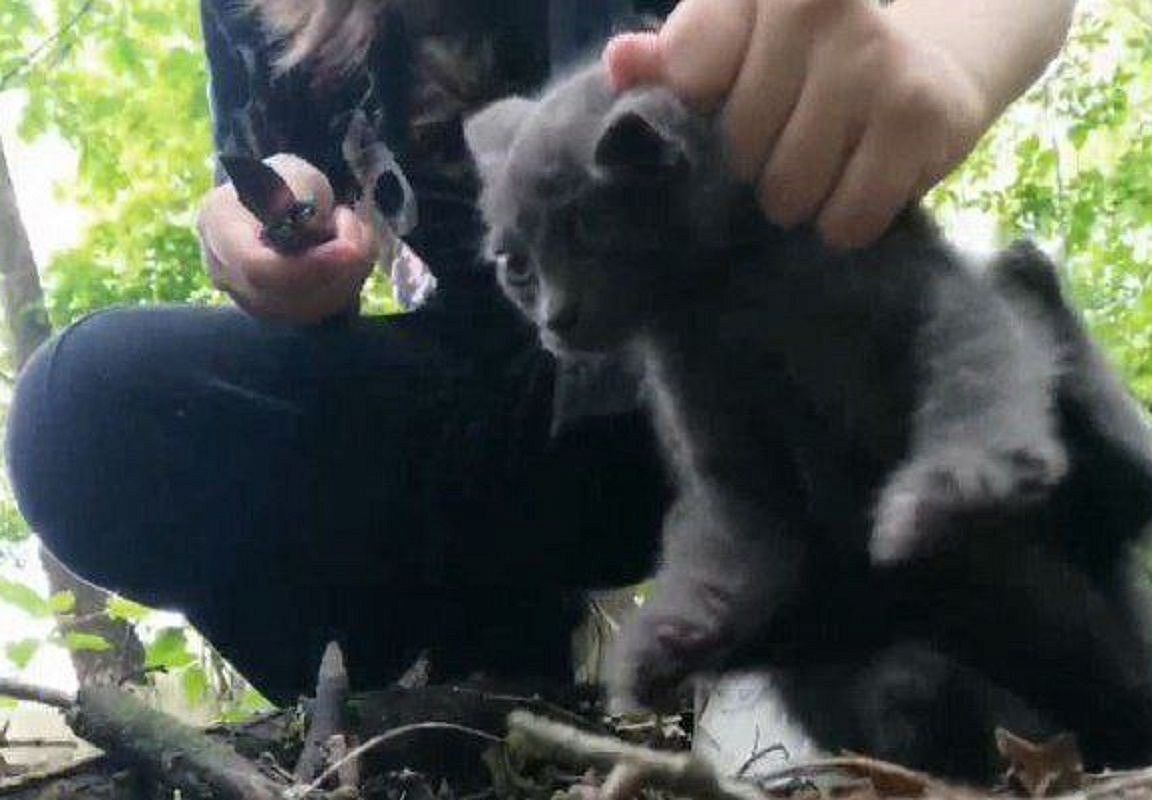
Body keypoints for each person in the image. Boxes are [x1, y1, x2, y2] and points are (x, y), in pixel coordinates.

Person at [7, 0, 1075, 703]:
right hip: (500, 393)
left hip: (736, 339)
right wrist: (260, 218)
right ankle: (454, 699)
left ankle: (818, 613)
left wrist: (944, 52)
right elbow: (283, 160)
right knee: (86, 409)